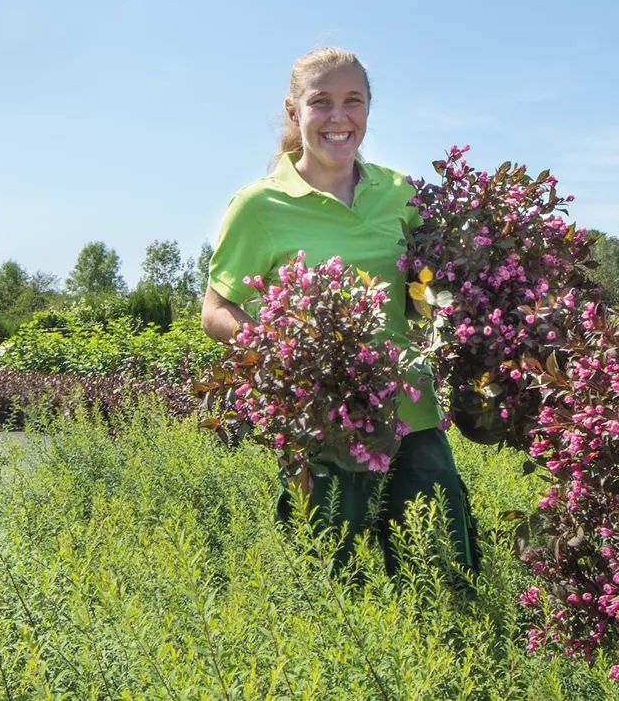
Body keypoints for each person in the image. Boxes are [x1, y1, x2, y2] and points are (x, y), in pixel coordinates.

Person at [202, 46, 478, 576]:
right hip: (323, 423)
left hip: (413, 415)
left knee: (445, 576)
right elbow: (216, 310)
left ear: (368, 109)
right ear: (293, 111)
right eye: (320, 102)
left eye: (353, 100)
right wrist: (282, 352)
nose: (338, 116)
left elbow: (430, 289)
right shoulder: (259, 206)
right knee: (332, 583)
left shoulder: (398, 193)